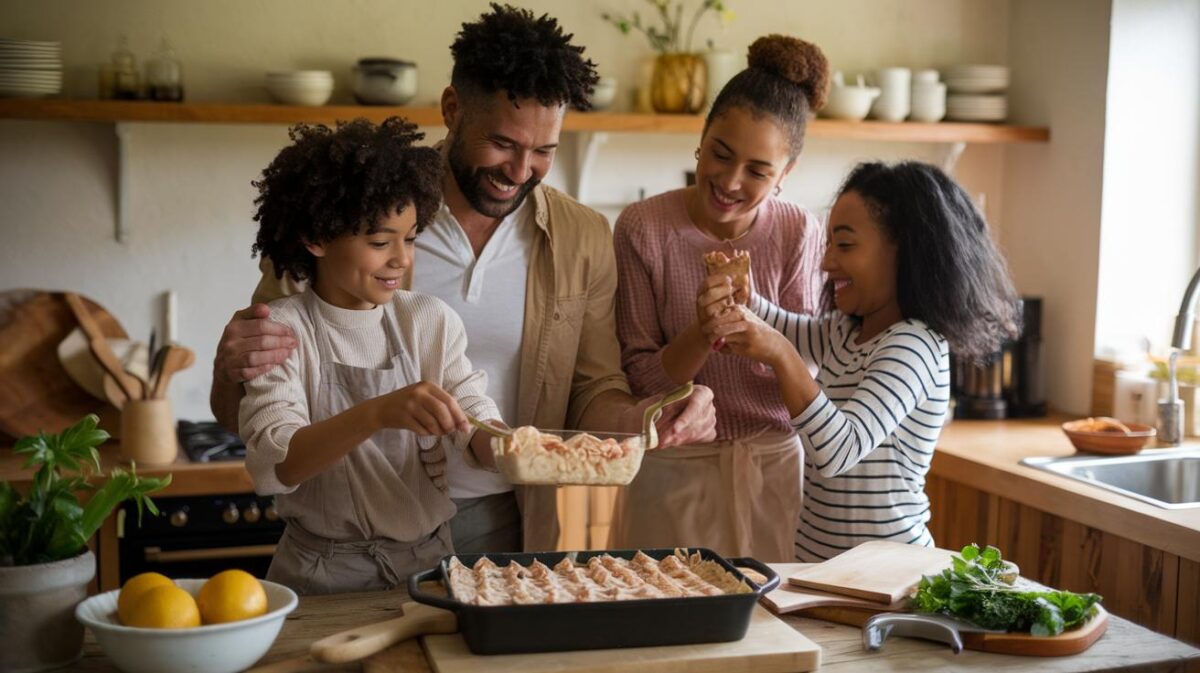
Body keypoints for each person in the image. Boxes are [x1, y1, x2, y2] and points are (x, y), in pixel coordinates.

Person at [210, 3, 717, 555]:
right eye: (503, 144)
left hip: (509, 520)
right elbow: (254, 414)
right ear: (452, 108)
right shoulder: (353, 208)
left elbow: (592, 390)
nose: (520, 172)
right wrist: (227, 368)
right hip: (349, 525)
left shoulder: (583, 236)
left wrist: (647, 419)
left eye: (544, 151)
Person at [698, 160, 1020, 561]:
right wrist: (749, 302)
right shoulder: (846, 331)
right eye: (829, 245)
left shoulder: (914, 345)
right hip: (822, 573)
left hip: (889, 577)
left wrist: (778, 353)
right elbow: (786, 329)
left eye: (845, 245)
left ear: (905, 251)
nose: (827, 262)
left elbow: (839, 450)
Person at [239, 117, 504, 594]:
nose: (401, 259)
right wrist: (378, 412)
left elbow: (474, 413)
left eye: (411, 237)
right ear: (317, 238)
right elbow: (275, 464)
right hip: (320, 575)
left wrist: (519, 447)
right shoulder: (281, 330)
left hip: (428, 567)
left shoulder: (426, 320)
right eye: (381, 242)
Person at [609, 35, 829, 562]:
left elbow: (812, 368)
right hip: (673, 468)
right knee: (663, 627)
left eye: (757, 171)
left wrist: (764, 338)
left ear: (785, 175)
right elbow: (640, 374)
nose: (730, 182)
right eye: (720, 154)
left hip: (774, 469)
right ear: (701, 140)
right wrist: (701, 333)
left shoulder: (799, 232)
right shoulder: (644, 228)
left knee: (770, 626)